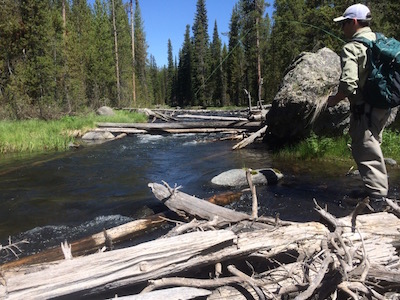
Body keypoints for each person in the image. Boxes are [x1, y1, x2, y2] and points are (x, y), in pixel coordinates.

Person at [327, 3, 391, 210]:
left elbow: (348, 84)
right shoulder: (380, 41)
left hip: (365, 107)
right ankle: (373, 188)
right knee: (374, 144)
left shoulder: (352, 47)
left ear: (354, 22)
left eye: (344, 23)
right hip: (384, 105)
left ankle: (378, 199)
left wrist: (335, 99)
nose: (342, 28)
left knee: (365, 149)